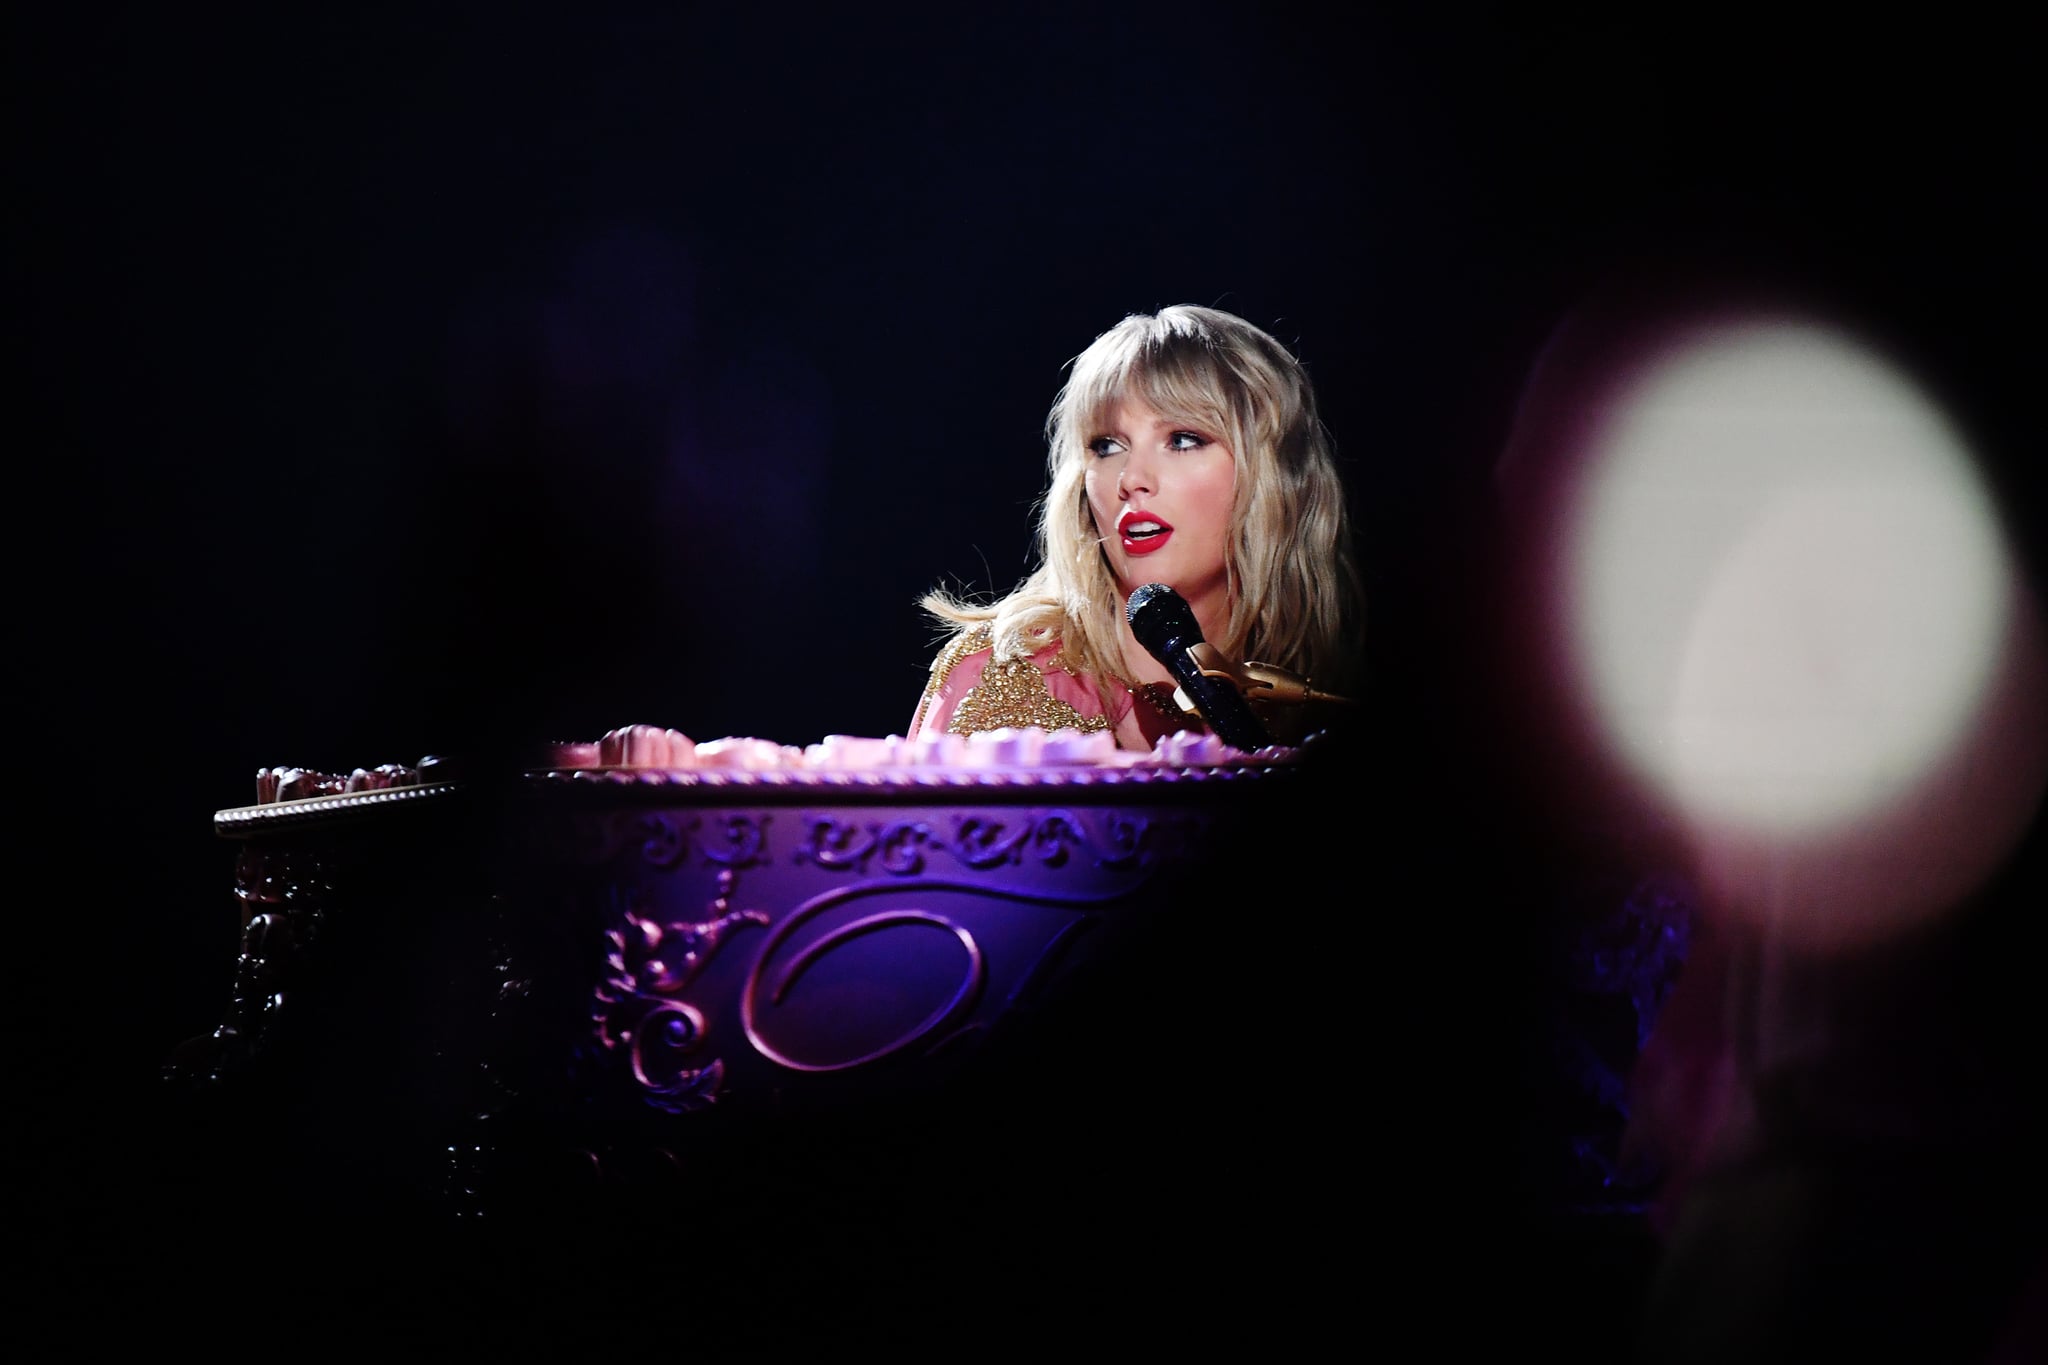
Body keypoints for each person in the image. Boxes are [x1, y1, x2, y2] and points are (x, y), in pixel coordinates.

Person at [910, 304, 1364, 751]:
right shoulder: (1005, 674)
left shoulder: (1324, 692)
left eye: (1183, 440)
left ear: (1276, 474)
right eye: (1107, 446)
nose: (1131, 480)